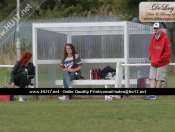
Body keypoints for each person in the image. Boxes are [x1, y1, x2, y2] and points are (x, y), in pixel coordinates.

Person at [146, 22, 171, 100]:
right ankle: (151, 95)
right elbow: (150, 48)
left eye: (157, 28)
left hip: (162, 63)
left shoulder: (165, 38)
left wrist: (160, 59)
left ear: (160, 28)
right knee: (152, 78)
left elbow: (167, 51)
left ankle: (155, 96)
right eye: (154, 28)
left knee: (159, 79)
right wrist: (151, 57)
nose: (155, 29)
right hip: (154, 62)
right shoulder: (152, 38)